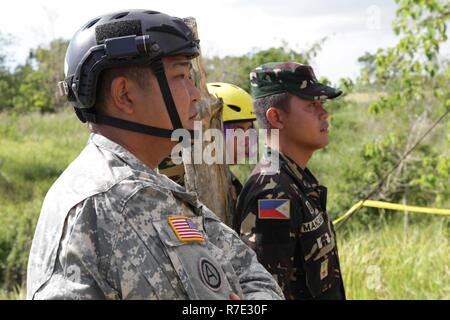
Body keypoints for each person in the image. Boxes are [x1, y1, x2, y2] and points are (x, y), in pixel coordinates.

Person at [26, 10, 283, 300]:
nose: (196, 94)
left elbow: (259, 281)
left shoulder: (160, 191)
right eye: (181, 76)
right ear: (124, 95)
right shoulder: (98, 203)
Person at [235, 62, 346, 300]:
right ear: (276, 117)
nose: (324, 113)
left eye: (321, 103)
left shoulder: (295, 179)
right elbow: (265, 292)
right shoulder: (272, 192)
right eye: (311, 105)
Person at [158, 82, 256, 202]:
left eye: (249, 130)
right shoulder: (179, 173)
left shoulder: (226, 177)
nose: (246, 141)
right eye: (237, 131)